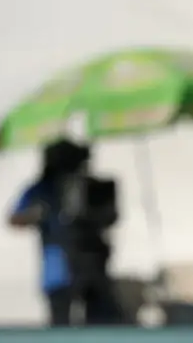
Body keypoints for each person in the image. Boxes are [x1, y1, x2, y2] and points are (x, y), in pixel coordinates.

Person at [8, 139, 122, 327]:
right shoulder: (41, 190)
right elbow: (14, 219)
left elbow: (111, 217)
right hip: (58, 266)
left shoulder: (94, 187)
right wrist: (39, 213)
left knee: (98, 320)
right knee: (61, 322)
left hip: (91, 264)